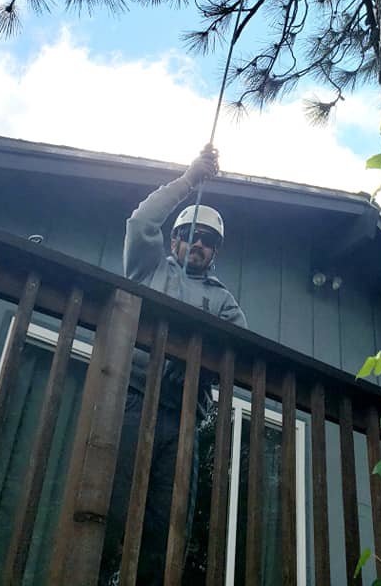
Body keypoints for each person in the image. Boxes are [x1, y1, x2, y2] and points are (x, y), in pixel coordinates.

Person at [100, 145, 247, 586]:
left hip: (183, 421)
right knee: (107, 507)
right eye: (192, 235)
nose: (199, 244)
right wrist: (188, 181)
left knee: (166, 529)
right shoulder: (149, 267)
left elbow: (240, 352)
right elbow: (140, 222)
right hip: (131, 400)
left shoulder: (223, 301)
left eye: (209, 241)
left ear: (214, 252)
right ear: (175, 240)